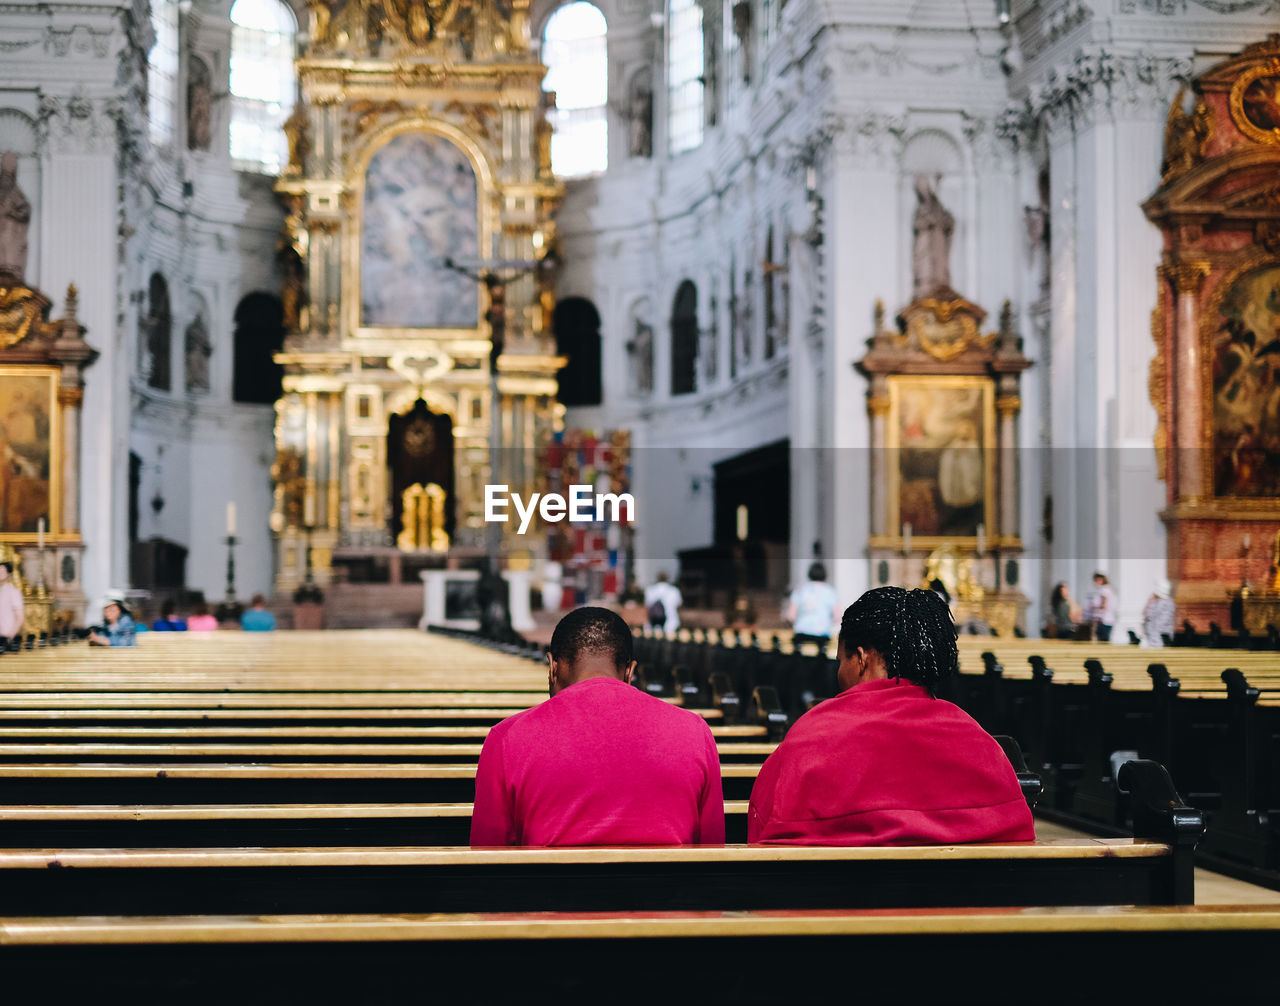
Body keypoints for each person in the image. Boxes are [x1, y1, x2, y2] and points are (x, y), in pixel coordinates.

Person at [748, 586, 1034, 845]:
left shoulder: (810, 736)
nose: (839, 672)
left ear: (861, 658)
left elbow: (762, 836)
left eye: (840, 661)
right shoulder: (978, 741)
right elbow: (1021, 843)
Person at [471, 606, 724, 847]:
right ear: (630, 672)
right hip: (676, 892)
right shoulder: (694, 732)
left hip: (547, 892)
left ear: (552, 668)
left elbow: (486, 859)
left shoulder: (507, 738)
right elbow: (714, 850)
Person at [787, 562, 840, 648]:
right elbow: (837, 616)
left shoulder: (800, 590)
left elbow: (791, 616)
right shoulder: (830, 592)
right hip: (822, 637)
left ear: (810, 574)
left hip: (801, 635)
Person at [1083, 571, 1117, 642]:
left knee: (1103, 641)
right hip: (1106, 620)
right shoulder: (1107, 589)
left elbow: (1103, 606)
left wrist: (1091, 607)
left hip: (1103, 620)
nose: (1095, 582)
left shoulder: (1104, 590)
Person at [1142, 578, 1175, 648]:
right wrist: (1150, 601)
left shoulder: (1168, 603)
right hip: (1152, 634)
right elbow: (1146, 614)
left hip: (1161, 635)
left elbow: (1163, 621)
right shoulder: (1155, 602)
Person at [0, 560, 23, 644]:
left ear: (9, 574)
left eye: (2, 571)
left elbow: (20, 618)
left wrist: (9, 637)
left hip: (6, 637)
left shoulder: (14, 592)